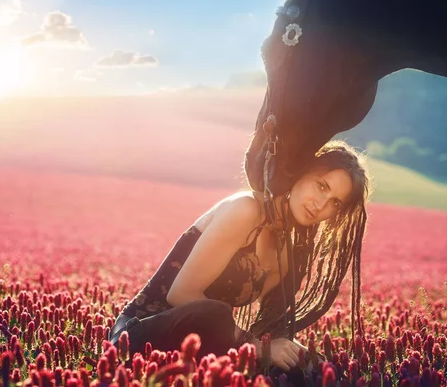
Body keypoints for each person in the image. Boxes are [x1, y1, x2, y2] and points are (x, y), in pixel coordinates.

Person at [107, 140, 370, 372]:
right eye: (322, 186)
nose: (321, 204)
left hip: (206, 345)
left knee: (314, 367)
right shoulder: (246, 210)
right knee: (215, 313)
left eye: (335, 202)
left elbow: (268, 326)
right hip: (141, 336)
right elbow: (180, 295)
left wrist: (301, 355)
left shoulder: (287, 253)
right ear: (302, 173)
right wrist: (258, 347)